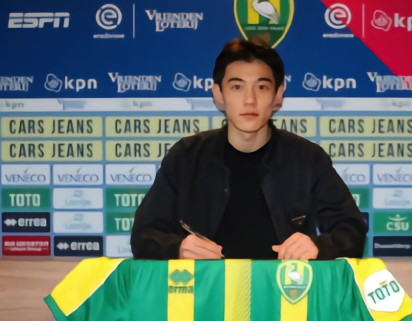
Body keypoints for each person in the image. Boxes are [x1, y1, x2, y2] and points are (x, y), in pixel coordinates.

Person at [130, 38, 367, 260]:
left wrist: (319, 246)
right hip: (205, 288)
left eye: (262, 87)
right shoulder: (186, 156)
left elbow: (352, 232)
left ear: (278, 95)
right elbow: (144, 235)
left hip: (285, 288)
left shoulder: (308, 159)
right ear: (218, 94)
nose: (250, 100)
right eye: (237, 87)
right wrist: (177, 248)